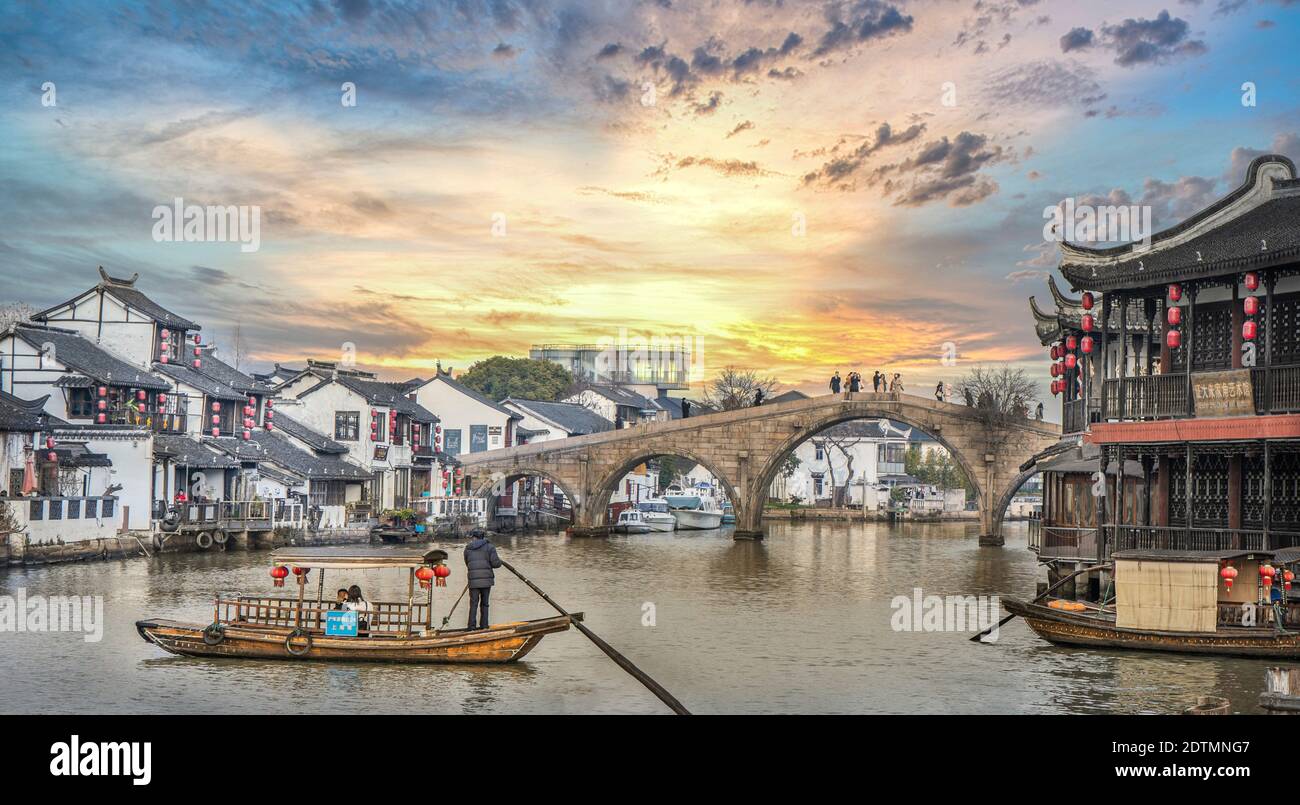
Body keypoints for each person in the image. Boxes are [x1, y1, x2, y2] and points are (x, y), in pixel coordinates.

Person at [464, 530, 502, 630]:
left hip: (473, 580)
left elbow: (467, 563)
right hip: (486, 580)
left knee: (473, 604)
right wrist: (499, 561)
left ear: (474, 537)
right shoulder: (490, 547)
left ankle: (471, 627)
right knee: (485, 604)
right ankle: (484, 626)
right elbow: (495, 564)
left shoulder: (468, 548)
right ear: (483, 537)